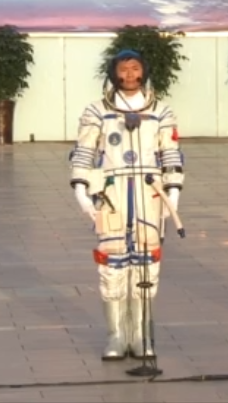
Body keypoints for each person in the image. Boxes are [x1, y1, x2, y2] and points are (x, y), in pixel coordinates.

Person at [68, 50, 184, 361]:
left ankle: (141, 334)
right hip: (111, 193)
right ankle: (116, 335)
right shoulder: (97, 111)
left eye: (135, 68)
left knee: (147, 262)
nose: (130, 75)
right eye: (124, 69)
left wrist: (173, 193)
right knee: (112, 263)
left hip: (149, 193)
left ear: (144, 72)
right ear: (113, 73)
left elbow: (171, 153)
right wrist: (80, 189)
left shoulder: (161, 111)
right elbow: (84, 151)